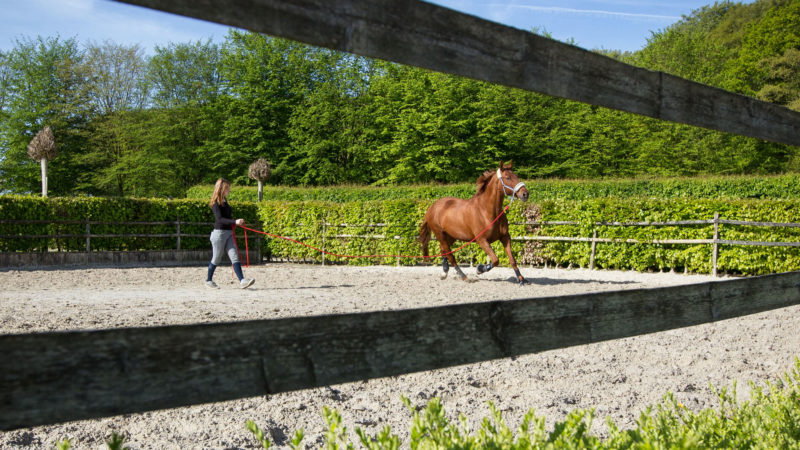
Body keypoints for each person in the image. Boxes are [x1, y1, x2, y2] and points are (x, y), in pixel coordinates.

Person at [206, 178, 255, 289]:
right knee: (216, 258)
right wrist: (234, 222)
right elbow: (219, 219)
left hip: (229, 233)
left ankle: (242, 280)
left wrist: (237, 222)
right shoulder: (215, 203)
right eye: (227, 187)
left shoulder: (225, 201)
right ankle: (208, 280)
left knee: (234, 256)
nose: (229, 189)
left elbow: (227, 218)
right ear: (221, 188)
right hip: (219, 234)